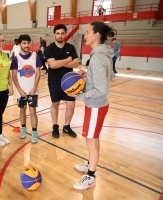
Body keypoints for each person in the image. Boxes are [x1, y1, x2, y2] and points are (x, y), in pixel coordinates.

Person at [70, 21, 115, 190]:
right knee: (93, 139)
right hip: (99, 105)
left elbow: (101, 89)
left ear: (96, 35)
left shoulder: (96, 57)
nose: (85, 35)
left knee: (91, 141)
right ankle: (91, 163)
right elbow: (107, 77)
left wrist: (79, 95)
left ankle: (90, 176)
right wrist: (88, 75)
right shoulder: (105, 54)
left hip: (96, 105)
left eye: (88, 32)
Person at [45, 24, 79, 138]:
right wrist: (68, 59)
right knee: (55, 104)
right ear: (54, 34)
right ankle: (55, 126)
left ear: (65, 34)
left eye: (62, 33)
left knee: (71, 105)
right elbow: (52, 65)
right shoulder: (50, 49)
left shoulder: (71, 47)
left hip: (70, 82)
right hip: (54, 81)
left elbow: (76, 63)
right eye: (58, 33)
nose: (60, 36)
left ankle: (67, 126)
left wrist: (60, 62)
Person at [10, 34, 41, 143]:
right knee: (22, 110)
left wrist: (34, 88)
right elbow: (13, 76)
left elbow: (38, 73)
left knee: (33, 112)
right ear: (19, 44)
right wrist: (19, 90)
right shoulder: (16, 59)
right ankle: (23, 128)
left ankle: (34, 132)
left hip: (33, 91)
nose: (27, 45)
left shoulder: (35, 56)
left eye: (28, 43)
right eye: (24, 43)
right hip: (21, 91)